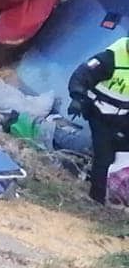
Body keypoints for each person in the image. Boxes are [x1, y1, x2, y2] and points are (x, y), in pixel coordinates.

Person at [69, 36, 129, 205]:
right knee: (105, 158)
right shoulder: (110, 58)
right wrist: (78, 98)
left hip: (123, 116)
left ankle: (120, 194)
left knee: (124, 154)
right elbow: (80, 76)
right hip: (100, 113)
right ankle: (98, 200)